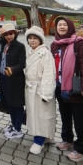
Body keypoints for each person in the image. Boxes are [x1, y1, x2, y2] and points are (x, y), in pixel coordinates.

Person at [50, 17, 83, 162]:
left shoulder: (79, 43)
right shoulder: (54, 44)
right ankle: (67, 139)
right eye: (59, 25)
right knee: (65, 116)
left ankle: (81, 149)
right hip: (60, 87)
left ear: (70, 27)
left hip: (76, 88)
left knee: (80, 119)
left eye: (64, 24)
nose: (62, 27)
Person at [24, 26, 56, 154]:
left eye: (35, 38)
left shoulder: (45, 53)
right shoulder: (30, 52)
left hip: (40, 89)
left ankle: (39, 141)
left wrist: (46, 93)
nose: (32, 41)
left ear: (40, 40)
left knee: (42, 115)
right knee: (35, 115)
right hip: (31, 88)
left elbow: (49, 74)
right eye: (30, 38)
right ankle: (46, 136)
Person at [0, 23, 26, 139]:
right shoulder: (3, 45)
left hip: (16, 79)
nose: (9, 36)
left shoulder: (20, 46)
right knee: (10, 103)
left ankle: (18, 129)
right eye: (6, 34)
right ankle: (13, 124)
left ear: (14, 34)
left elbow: (22, 64)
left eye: (11, 33)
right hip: (4, 78)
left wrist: (12, 69)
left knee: (17, 104)